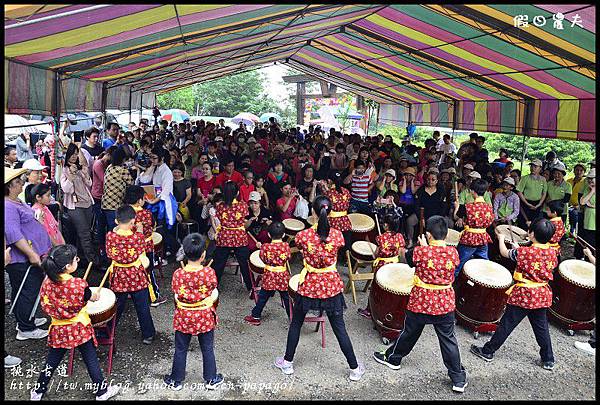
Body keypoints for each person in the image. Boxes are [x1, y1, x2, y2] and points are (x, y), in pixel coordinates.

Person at [274, 195, 365, 381]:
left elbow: (300, 247)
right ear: (330, 211)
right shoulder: (337, 235)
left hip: (309, 286)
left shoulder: (303, 236)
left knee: (296, 323)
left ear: (313, 212)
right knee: (340, 328)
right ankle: (354, 369)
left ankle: (288, 363)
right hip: (331, 286)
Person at [372, 215, 467, 393]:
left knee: (409, 332)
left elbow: (405, 259)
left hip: (421, 302)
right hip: (444, 303)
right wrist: (428, 247)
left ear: (428, 235)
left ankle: (394, 359)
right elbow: (441, 260)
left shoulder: (420, 252)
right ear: (445, 235)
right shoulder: (453, 252)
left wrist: (422, 247)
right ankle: (458, 378)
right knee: (448, 340)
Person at [30, 244, 120, 401]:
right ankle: (101, 391)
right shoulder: (78, 284)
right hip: (78, 327)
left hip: (58, 328)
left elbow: (46, 304)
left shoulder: (47, 282)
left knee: (52, 360)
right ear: (67, 266)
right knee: (90, 358)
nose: (77, 261)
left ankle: (38, 391)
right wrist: (94, 297)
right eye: (75, 259)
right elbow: (90, 297)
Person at [471, 218, 558, 371]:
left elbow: (504, 253)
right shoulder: (553, 252)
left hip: (524, 295)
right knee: (542, 327)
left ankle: (488, 351)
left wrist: (501, 239)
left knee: (507, 323)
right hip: (542, 295)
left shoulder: (524, 252)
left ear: (531, 234)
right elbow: (535, 257)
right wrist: (519, 249)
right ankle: (548, 359)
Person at [163, 233, 224, 390]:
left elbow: (176, 292)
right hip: (204, 314)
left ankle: (176, 380)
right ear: (203, 254)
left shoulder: (178, 274)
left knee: (181, 348)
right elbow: (212, 290)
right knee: (207, 348)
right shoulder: (209, 273)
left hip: (184, 315)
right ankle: (211, 379)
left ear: (184, 252)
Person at [5, 167, 52, 340]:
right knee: (28, 290)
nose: (21, 183)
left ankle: (25, 319)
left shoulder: (16, 200)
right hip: (21, 258)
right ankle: (25, 328)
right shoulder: (7, 205)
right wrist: (32, 254)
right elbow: (13, 233)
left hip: (30, 255)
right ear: (9, 186)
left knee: (23, 289)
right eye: (17, 182)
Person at [106, 205, 156, 344]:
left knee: (117, 305)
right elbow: (142, 252)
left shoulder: (110, 237)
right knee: (142, 306)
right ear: (133, 221)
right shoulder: (138, 238)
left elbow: (110, 254)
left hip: (120, 276)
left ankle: (109, 331)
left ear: (116, 221)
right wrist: (139, 230)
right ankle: (148, 334)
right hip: (136, 276)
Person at [124, 185, 167, 307]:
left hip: (128, 247)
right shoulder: (146, 214)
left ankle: (129, 292)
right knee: (148, 271)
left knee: (130, 269)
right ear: (139, 200)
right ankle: (153, 297)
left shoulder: (124, 212)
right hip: (144, 246)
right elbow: (152, 227)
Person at [244, 222, 291, 325]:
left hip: (269, 275)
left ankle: (256, 316)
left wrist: (261, 247)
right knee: (286, 297)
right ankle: (292, 317)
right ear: (283, 235)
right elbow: (288, 257)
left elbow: (263, 259)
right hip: (283, 275)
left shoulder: (265, 247)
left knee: (263, 297)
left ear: (269, 234)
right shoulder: (286, 246)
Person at [357, 214, 405, 318]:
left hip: (382, 267)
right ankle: (388, 312)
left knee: (376, 289)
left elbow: (376, 255)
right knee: (391, 289)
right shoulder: (400, 236)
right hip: (395, 265)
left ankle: (370, 311)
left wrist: (368, 243)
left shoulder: (381, 238)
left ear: (386, 225)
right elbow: (402, 253)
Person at [60, 143, 98, 268]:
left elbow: (89, 183)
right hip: (75, 206)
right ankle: (93, 260)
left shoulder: (80, 168)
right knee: (85, 233)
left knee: (86, 232)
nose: (74, 157)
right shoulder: (64, 169)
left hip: (87, 203)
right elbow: (66, 189)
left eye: (76, 154)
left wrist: (83, 173)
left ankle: (81, 258)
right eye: (72, 154)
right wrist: (71, 176)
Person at [138, 146, 179, 256]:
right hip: (155, 200)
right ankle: (164, 252)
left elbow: (165, 191)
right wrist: (151, 166)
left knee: (162, 229)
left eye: (154, 158)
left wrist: (154, 201)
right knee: (156, 228)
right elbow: (144, 179)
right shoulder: (155, 167)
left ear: (162, 158)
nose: (152, 160)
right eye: (151, 157)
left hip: (164, 202)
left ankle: (175, 249)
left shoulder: (166, 171)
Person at [211, 181, 253, 290]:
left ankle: (212, 288)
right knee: (244, 263)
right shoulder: (243, 205)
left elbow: (219, 218)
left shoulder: (220, 206)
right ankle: (251, 287)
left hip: (224, 236)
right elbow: (245, 219)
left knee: (219, 263)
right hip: (240, 237)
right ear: (237, 193)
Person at [455, 179, 494, 276]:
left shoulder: (468, 207)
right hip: (483, 237)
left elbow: (456, 217)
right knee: (484, 262)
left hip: (470, 239)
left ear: (472, 191)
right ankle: (487, 280)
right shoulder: (489, 207)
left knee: (459, 262)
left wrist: (456, 208)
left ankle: (452, 282)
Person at [101, 147, 134, 234]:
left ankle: (106, 245)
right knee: (116, 231)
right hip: (115, 205)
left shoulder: (109, 167)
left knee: (109, 230)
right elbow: (132, 183)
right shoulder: (122, 170)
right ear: (123, 159)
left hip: (105, 203)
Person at [321, 172, 353, 250]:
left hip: (333, 221)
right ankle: (347, 258)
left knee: (333, 240)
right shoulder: (346, 191)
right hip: (345, 221)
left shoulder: (328, 193)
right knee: (346, 241)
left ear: (329, 181)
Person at [515, 159, 547, 229]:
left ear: (540, 168)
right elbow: (519, 192)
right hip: (525, 203)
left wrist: (539, 204)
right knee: (523, 224)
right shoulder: (525, 178)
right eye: (531, 166)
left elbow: (544, 193)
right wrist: (526, 203)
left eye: (535, 167)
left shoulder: (543, 179)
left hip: (537, 204)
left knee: (535, 225)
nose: (533, 168)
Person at [575, 168, 595, 260]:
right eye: (589, 178)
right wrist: (592, 191)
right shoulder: (588, 189)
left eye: (593, 178)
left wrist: (591, 205)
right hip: (588, 222)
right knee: (588, 245)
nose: (590, 180)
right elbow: (582, 202)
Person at [567, 163, 586, 233]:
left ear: (584, 172)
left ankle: (574, 233)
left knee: (575, 217)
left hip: (578, 206)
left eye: (581, 170)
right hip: (567, 205)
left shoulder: (585, 181)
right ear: (574, 171)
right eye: (577, 170)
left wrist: (579, 205)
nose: (579, 172)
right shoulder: (569, 181)